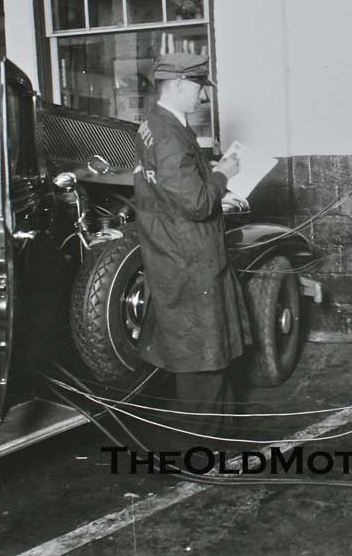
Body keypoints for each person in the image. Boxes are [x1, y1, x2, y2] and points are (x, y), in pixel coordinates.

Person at [132, 52, 250, 446]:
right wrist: (222, 176)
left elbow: (171, 189)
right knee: (204, 354)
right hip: (190, 257)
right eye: (199, 87)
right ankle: (201, 450)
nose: (204, 96)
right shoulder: (169, 136)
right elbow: (197, 203)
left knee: (206, 351)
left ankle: (221, 439)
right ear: (179, 84)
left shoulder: (154, 124)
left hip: (172, 250)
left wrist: (211, 186)